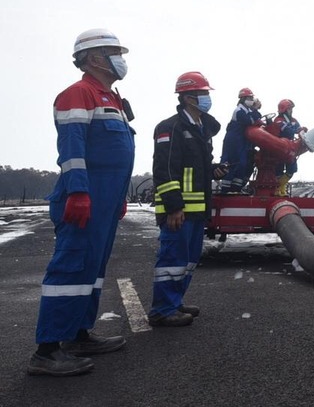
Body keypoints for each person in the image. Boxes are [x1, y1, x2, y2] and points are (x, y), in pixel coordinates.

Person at [29, 29, 135, 377]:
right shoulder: (79, 93)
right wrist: (78, 192)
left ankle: (77, 335)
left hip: (104, 201)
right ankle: (46, 351)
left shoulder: (112, 98)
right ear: (93, 58)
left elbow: (116, 157)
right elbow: (72, 149)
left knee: (91, 272)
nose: (121, 59)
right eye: (113, 52)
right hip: (84, 197)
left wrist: (118, 198)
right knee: (70, 270)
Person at [148, 71, 225, 327]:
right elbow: (165, 169)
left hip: (197, 210)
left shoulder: (200, 130)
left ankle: (175, 301)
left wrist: (214, 169)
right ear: (189, 98)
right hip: (179, 211)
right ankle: (162, 309)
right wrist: (173, 206)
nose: (207, 98)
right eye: (204, 94)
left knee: (188, 260)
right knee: (172, 259)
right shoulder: (170, 128)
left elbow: (194, 168)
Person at [219, 87, 262, 193]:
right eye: (250, 98)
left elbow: (256, 119)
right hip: (234, 140)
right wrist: (255, 109)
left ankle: (236, 188)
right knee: (232, 162)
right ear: (243, 99)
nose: (251, 100)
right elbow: (251, 120)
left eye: (252, 98)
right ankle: (226, 188)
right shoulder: (239, 111)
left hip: (243, 140)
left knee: (242, 164)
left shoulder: (246, 110)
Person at [273, 99, 307, 196]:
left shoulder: (293, 120)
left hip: (290, 149)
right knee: (278, 170)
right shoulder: (278, 120)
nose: (291, 111)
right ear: (284, 109)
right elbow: (288, 131)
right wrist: (298, 130)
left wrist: (302, 130)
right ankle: (279, 189)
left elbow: (299, 129)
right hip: (279, 148)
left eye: (291, 109)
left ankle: (280, 186)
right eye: (289, 109)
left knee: (292, 169)